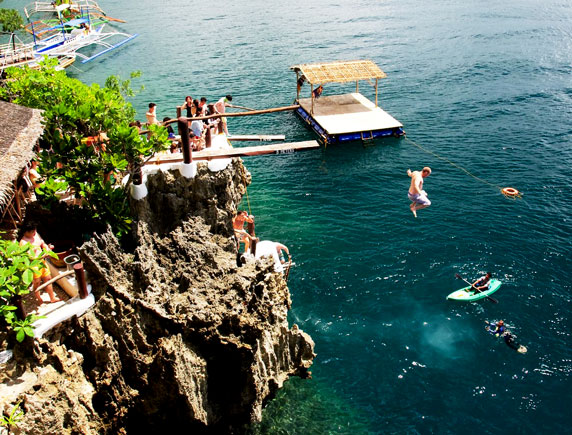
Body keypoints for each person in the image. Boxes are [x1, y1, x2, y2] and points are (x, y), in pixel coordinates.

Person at [19, 222, 60, 305]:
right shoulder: (23, 243)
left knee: (48, 278)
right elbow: (29, 258)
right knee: (37, 282)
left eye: (35, 231)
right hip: (33, 265)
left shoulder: (36, 234)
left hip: (42, 262)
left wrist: (47, 248)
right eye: (32, 232)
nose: (34, 233)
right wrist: (43, 255)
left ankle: (52, 297)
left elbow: (42, 243)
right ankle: (38, 298)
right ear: (26, 232)